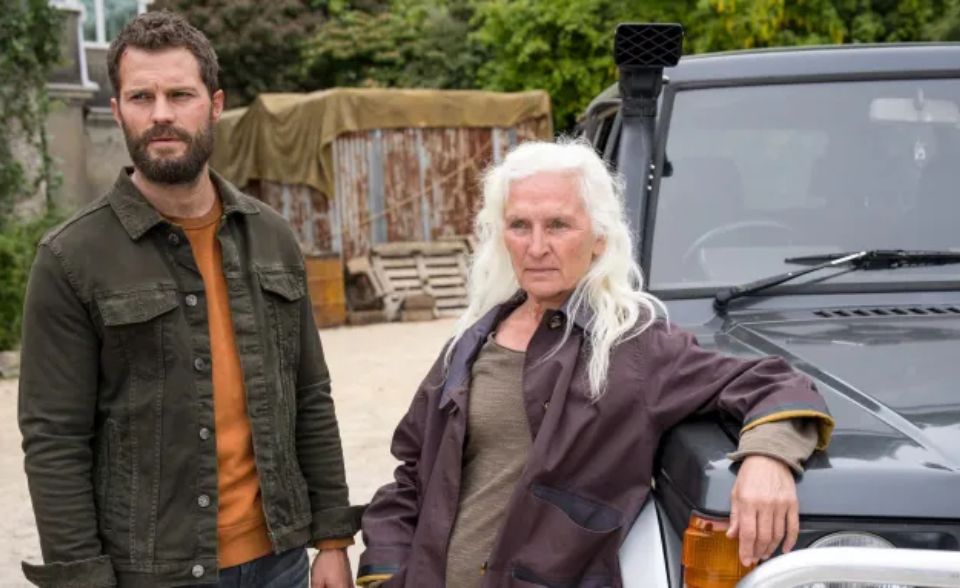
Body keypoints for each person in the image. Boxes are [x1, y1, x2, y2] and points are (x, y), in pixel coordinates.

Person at [357, 139, 833, 587]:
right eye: (520, 226)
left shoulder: (633, 346)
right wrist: (387, 571)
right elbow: (412, 473)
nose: (536, 247)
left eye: (558, 226)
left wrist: (767, 458)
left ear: (600, 238)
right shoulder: (473, 341)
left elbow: (773, 383)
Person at [18, 11, 361, 588]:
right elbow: (55, 442)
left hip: (280, 562)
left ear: (215, 103)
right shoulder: (71, 258)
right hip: (153, 573)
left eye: (180, 94)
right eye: (141, 96)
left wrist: (332, 539)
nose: (162, 114)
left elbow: (309, 395)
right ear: (117, 110)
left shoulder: (271, 237)